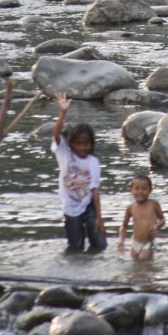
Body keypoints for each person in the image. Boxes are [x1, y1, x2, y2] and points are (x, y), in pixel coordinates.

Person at [51, 93, 106, 253]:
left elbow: (95, 189)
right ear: (71, 144)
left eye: (86, 144)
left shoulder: (93, 161)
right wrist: (63, 112)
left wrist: (99, 217)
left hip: (88, 206)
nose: (82, 147)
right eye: (78, 143)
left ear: (91, 144)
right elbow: (56, 135)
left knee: (99, 244)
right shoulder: (65, 155)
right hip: (70, 207)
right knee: (75, 247)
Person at [117, 175, 165, 261]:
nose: (140, 192)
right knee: (135, 263)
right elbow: (124, 226)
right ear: (131, 190)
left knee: (143, 259)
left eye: (144, 189)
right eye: (137, 188)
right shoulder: (130, 207)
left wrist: (157, 225)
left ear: (150, 190)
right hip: (136, 242)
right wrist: (121, 241)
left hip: (149, 241)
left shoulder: (153, 204)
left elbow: (162, 220)